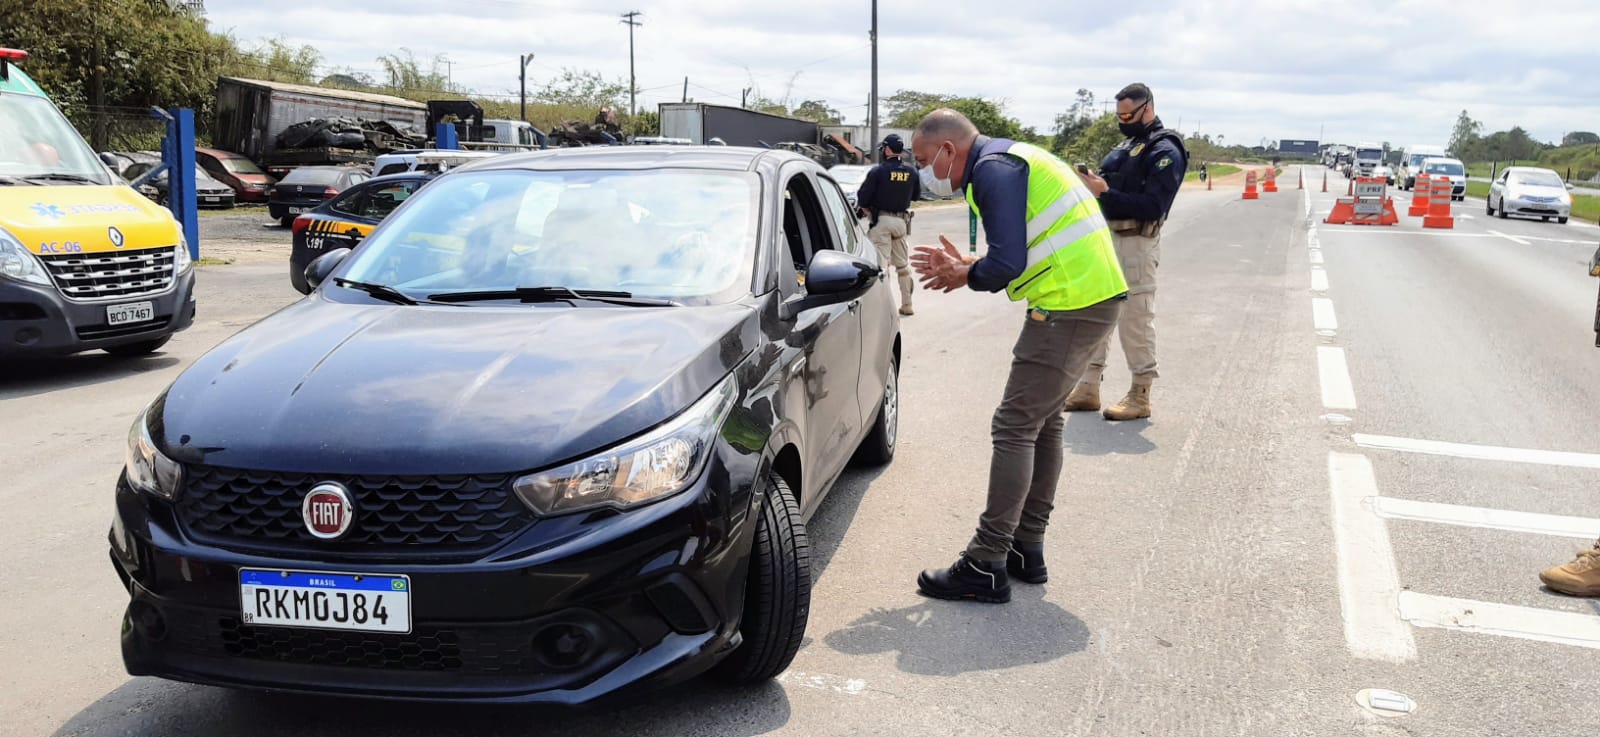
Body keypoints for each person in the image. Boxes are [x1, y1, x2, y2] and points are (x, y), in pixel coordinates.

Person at [908, 109, 1127, 603]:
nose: (924, 171)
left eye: (924, 160)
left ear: (948, 150)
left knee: (1013, 426)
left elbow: (1007, 264)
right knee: (1043, 424)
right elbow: (1023, 245)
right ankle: (1026, 547)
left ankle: (986, 561)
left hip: (1070, 305)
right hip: (1089, 297)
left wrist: (967, 274)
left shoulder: (991, 169)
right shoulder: (1009, 158)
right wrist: (971, 262)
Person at [1063, 83, 1187, 421]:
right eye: (1119, 115)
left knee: (1135, 319)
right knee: (1095, 313)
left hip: (1136, 241)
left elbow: (1153, 204)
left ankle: (1140, 393)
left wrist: (1105, 194)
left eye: (1128, 115)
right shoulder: (1126, 145)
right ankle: (1088, 387)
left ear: (1148, 108)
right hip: (1105, 239)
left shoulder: (1165, 149)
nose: (1123, 120)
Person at [856, 134, 920, 316]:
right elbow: (915, 196)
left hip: (881, 222)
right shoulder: (911, 171)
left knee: (881, 265)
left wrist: (868, 211)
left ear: (888, 150)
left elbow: (863, 198)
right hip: (901, 222)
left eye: (884, 148)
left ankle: (884, 308)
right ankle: (907, 304)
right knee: (902, 266)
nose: (883, 151)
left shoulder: (878, 172)